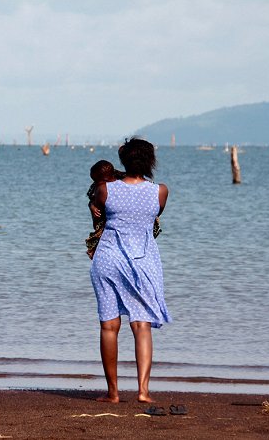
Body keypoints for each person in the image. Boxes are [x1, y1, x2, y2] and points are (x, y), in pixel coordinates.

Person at [89, 137, 171, 404]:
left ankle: (113, 393)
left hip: (109, 259)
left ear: (123, 161)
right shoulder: (159, 191)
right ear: (149, 162)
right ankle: (143, 392)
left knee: (109, 326)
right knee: (141, 325)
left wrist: (94, 207)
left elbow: (98, 214)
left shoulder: (105, 189)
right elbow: (153, 217)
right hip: (142, 261)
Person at [85, 160, 125, 259]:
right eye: (94, 180)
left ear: (109, 178)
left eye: (97, 180)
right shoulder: (96, 187)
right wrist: (91, 206)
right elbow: (91, 200)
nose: (95, 183)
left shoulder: (121, 184)